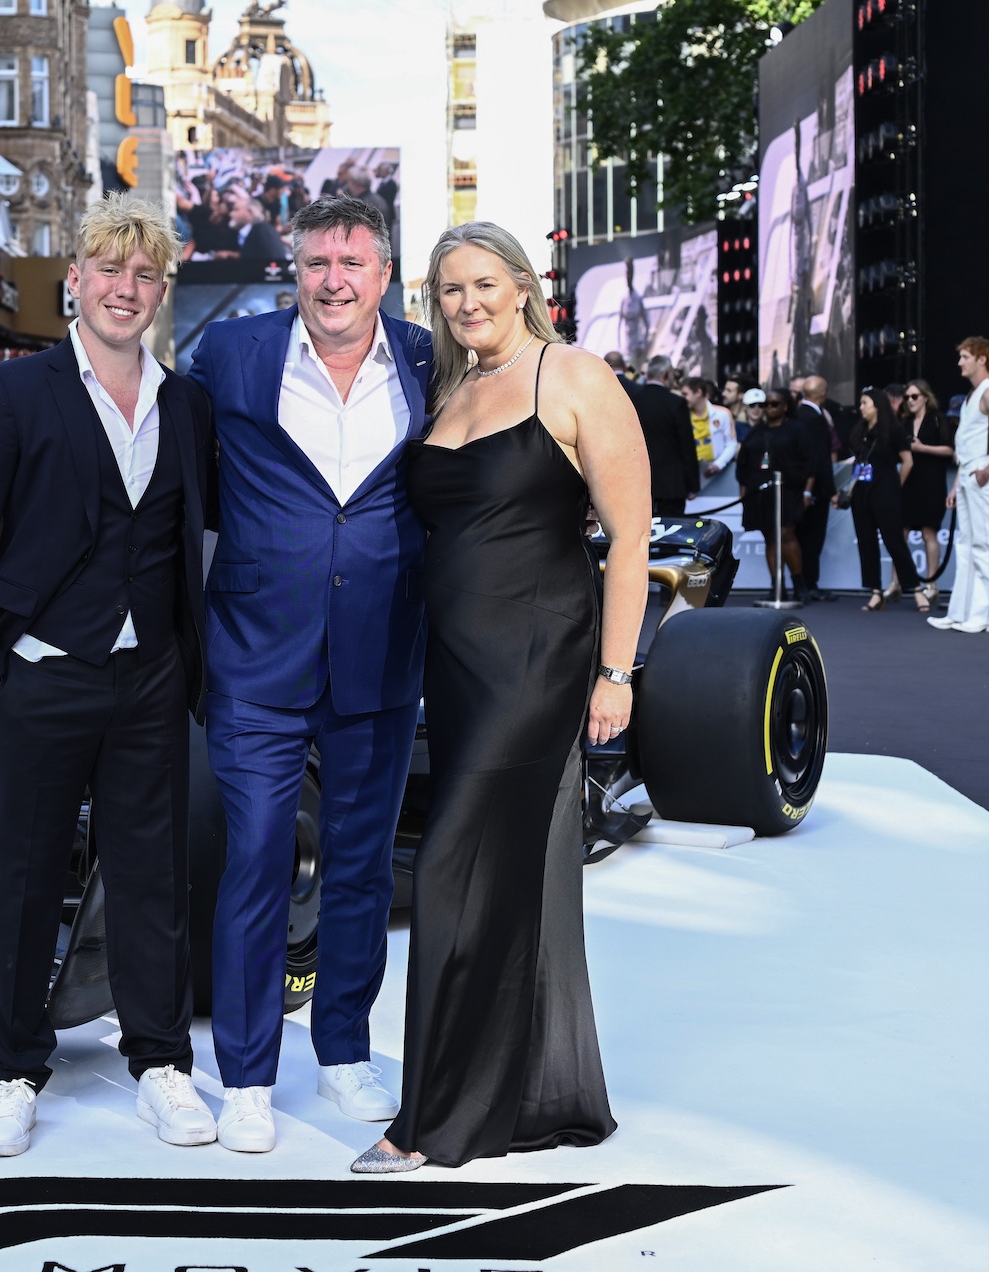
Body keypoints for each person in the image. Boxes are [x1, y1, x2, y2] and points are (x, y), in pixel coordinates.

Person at [0, 194, 218, 1158]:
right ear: (77, 286)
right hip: (39, 677)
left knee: (153, 875)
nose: (124, 290)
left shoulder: (187, 403)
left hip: (150, 679)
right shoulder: (17, 394)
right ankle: (12, 1073)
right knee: (19, 878)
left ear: (161, 290)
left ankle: (162, 1064)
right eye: (108, 272)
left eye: (143, 276)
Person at [351, 221, 638, 1174]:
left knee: (447, 870)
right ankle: (509, 1093)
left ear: (522, 284)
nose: (467, 303)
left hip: (540, 658)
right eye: (448, 290)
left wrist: (615, 674)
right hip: (457, 667)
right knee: (501, 877)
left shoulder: (574, 376)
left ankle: (433, 1120)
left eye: (483, 284)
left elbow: (629, 544)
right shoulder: (450, 386)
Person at [186, 195, 430, 1154]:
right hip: (254, 653)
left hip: (380, 654)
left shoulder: (424, 358)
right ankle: (246, 1074)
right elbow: (187, 484)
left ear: (382, 274)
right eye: (320, 261)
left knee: (363, 869)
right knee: (255, 860)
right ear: (296, 267)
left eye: (354, 263)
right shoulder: (232, 355)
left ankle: (342, 1051)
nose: (335, 280)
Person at [931, 338, 989, 633]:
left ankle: (985, 615)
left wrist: (987, 471)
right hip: (970, 472)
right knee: (967, 543)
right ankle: (961, 612)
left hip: (983, 472)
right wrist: (957, 484)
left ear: (982, 359)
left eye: (965, 356)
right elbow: (968, 444)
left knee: (985, 542)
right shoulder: (974, 394)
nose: (960, 362)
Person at [838, 388, 929, 612]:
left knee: (894, 540)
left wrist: (896, 485)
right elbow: (857, 459)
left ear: (877, 405)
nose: (861, 408)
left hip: (886, 490)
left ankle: (916, 590)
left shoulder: (894, 430)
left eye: (865, 403)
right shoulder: (859, 430)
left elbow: (908, 461)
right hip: (861, 492)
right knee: (866, 542)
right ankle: (875, 592)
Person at [739, 388, 812, 595]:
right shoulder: (756, 432)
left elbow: (809, 463)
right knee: (770, 536)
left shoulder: (797, 429)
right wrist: (743, 494)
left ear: (785, 406)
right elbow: (743, 465)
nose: (768, 408)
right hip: (759, 493)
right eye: (765, 404)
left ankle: (799, 584)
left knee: (787, 534)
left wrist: (807, 492)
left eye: (774, 404)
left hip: (789, 490)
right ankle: (777, 585)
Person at [898, 378, 951, 597]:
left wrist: (923, 448)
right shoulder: (904, 423)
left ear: (925, 398)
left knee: (930, 531)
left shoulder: (938, 419)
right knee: (901, 532)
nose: (910, 401)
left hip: (932, 481)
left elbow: (950, 450)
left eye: (914, 396)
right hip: (909, 482)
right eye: (907, 397)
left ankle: (931, 584)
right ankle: (898, 583)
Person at [629, 354, 700, 515]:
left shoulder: (632, 401)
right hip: (672, 484)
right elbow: (686, 446)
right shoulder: (676, 403)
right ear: (665, 375)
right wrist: (693, 485)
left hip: (639, 481)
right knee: (671, 534)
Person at [791, 375, 839, 599]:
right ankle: (810, 585)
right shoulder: (815, 418)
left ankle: (801, 584)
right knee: (812, 538)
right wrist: (829, 491)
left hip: (796, 486)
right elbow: (820, 458)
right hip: (814, 489)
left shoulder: (798, 414)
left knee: (798, 537)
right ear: (823, 394)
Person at [683, 376, 738, 480]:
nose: (683, 398)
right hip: (690, 475)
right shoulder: (682, 415)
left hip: (720, 475)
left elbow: (731, 444)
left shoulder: (723, 414)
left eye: (685, 394)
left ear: (698, 392)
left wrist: (718, 465)